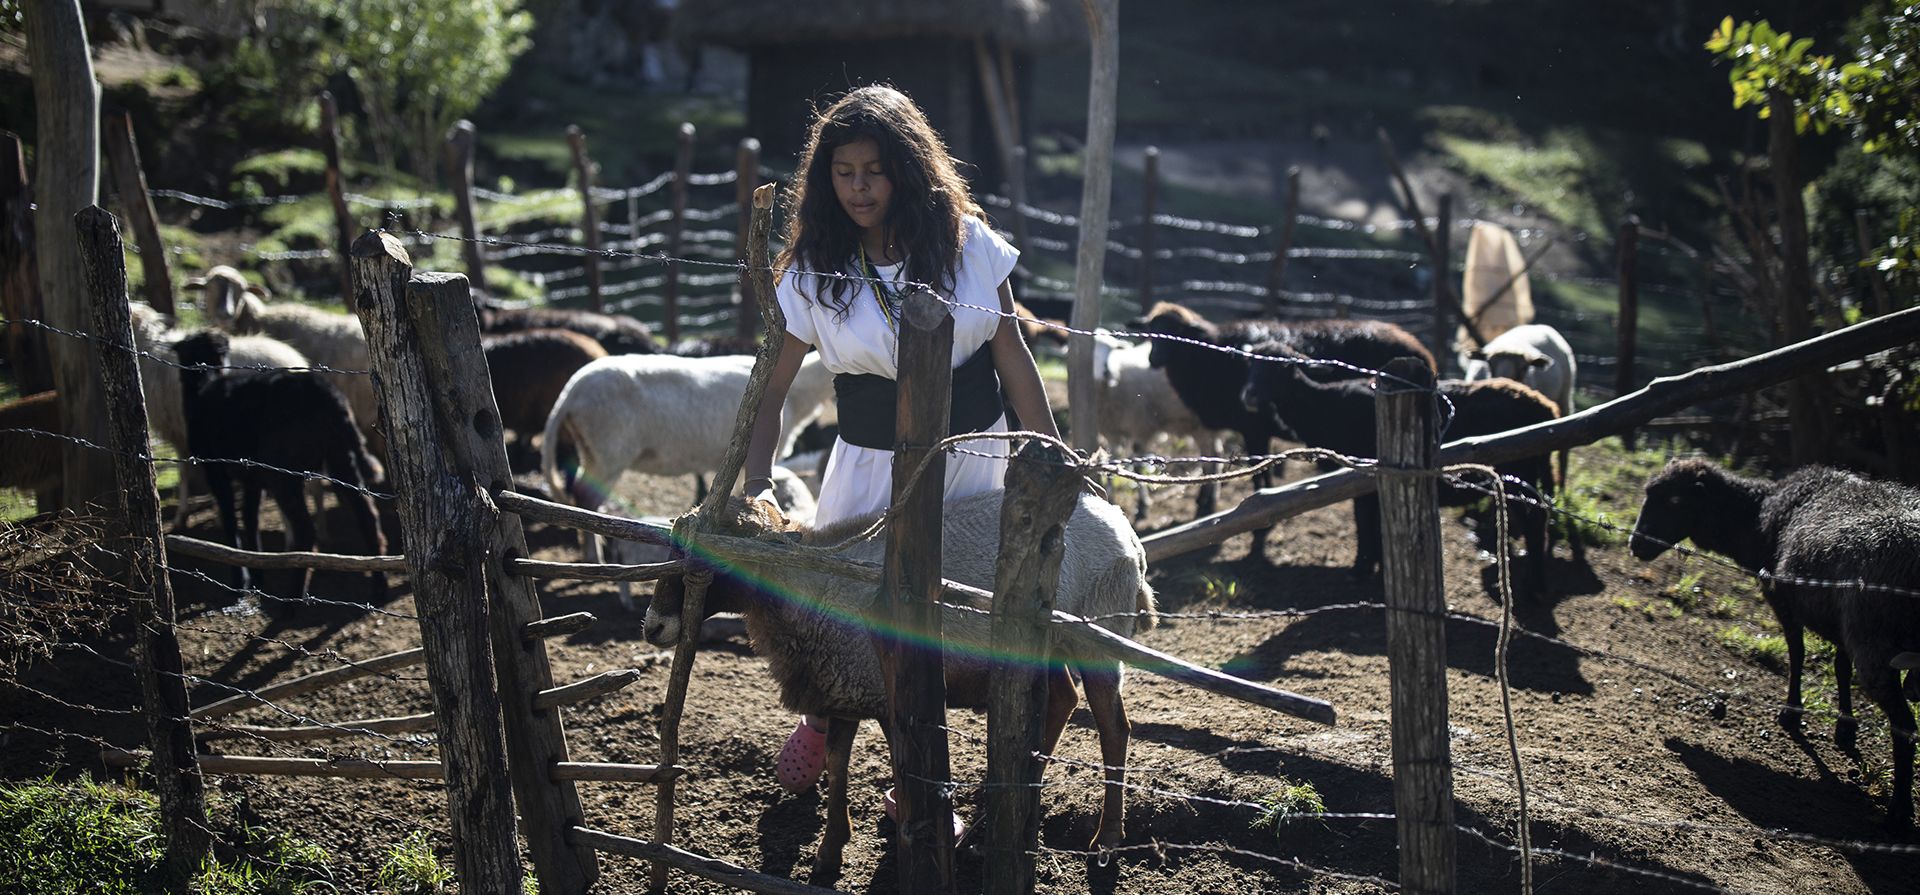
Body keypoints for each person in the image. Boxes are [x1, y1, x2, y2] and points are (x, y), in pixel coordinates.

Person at [739, 84, 1060, 797]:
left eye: (874, 171)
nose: (858, 187)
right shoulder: (816, 271)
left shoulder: (969, 247)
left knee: (959, 630)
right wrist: (758, 478)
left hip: (971, 463)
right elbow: (773, 387)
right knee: (863, 629)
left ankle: (928, 780)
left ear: (908, 169)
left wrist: (1051, 454)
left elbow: (1013, 356)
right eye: (843, 172)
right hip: (869, 473)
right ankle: (848, 735)